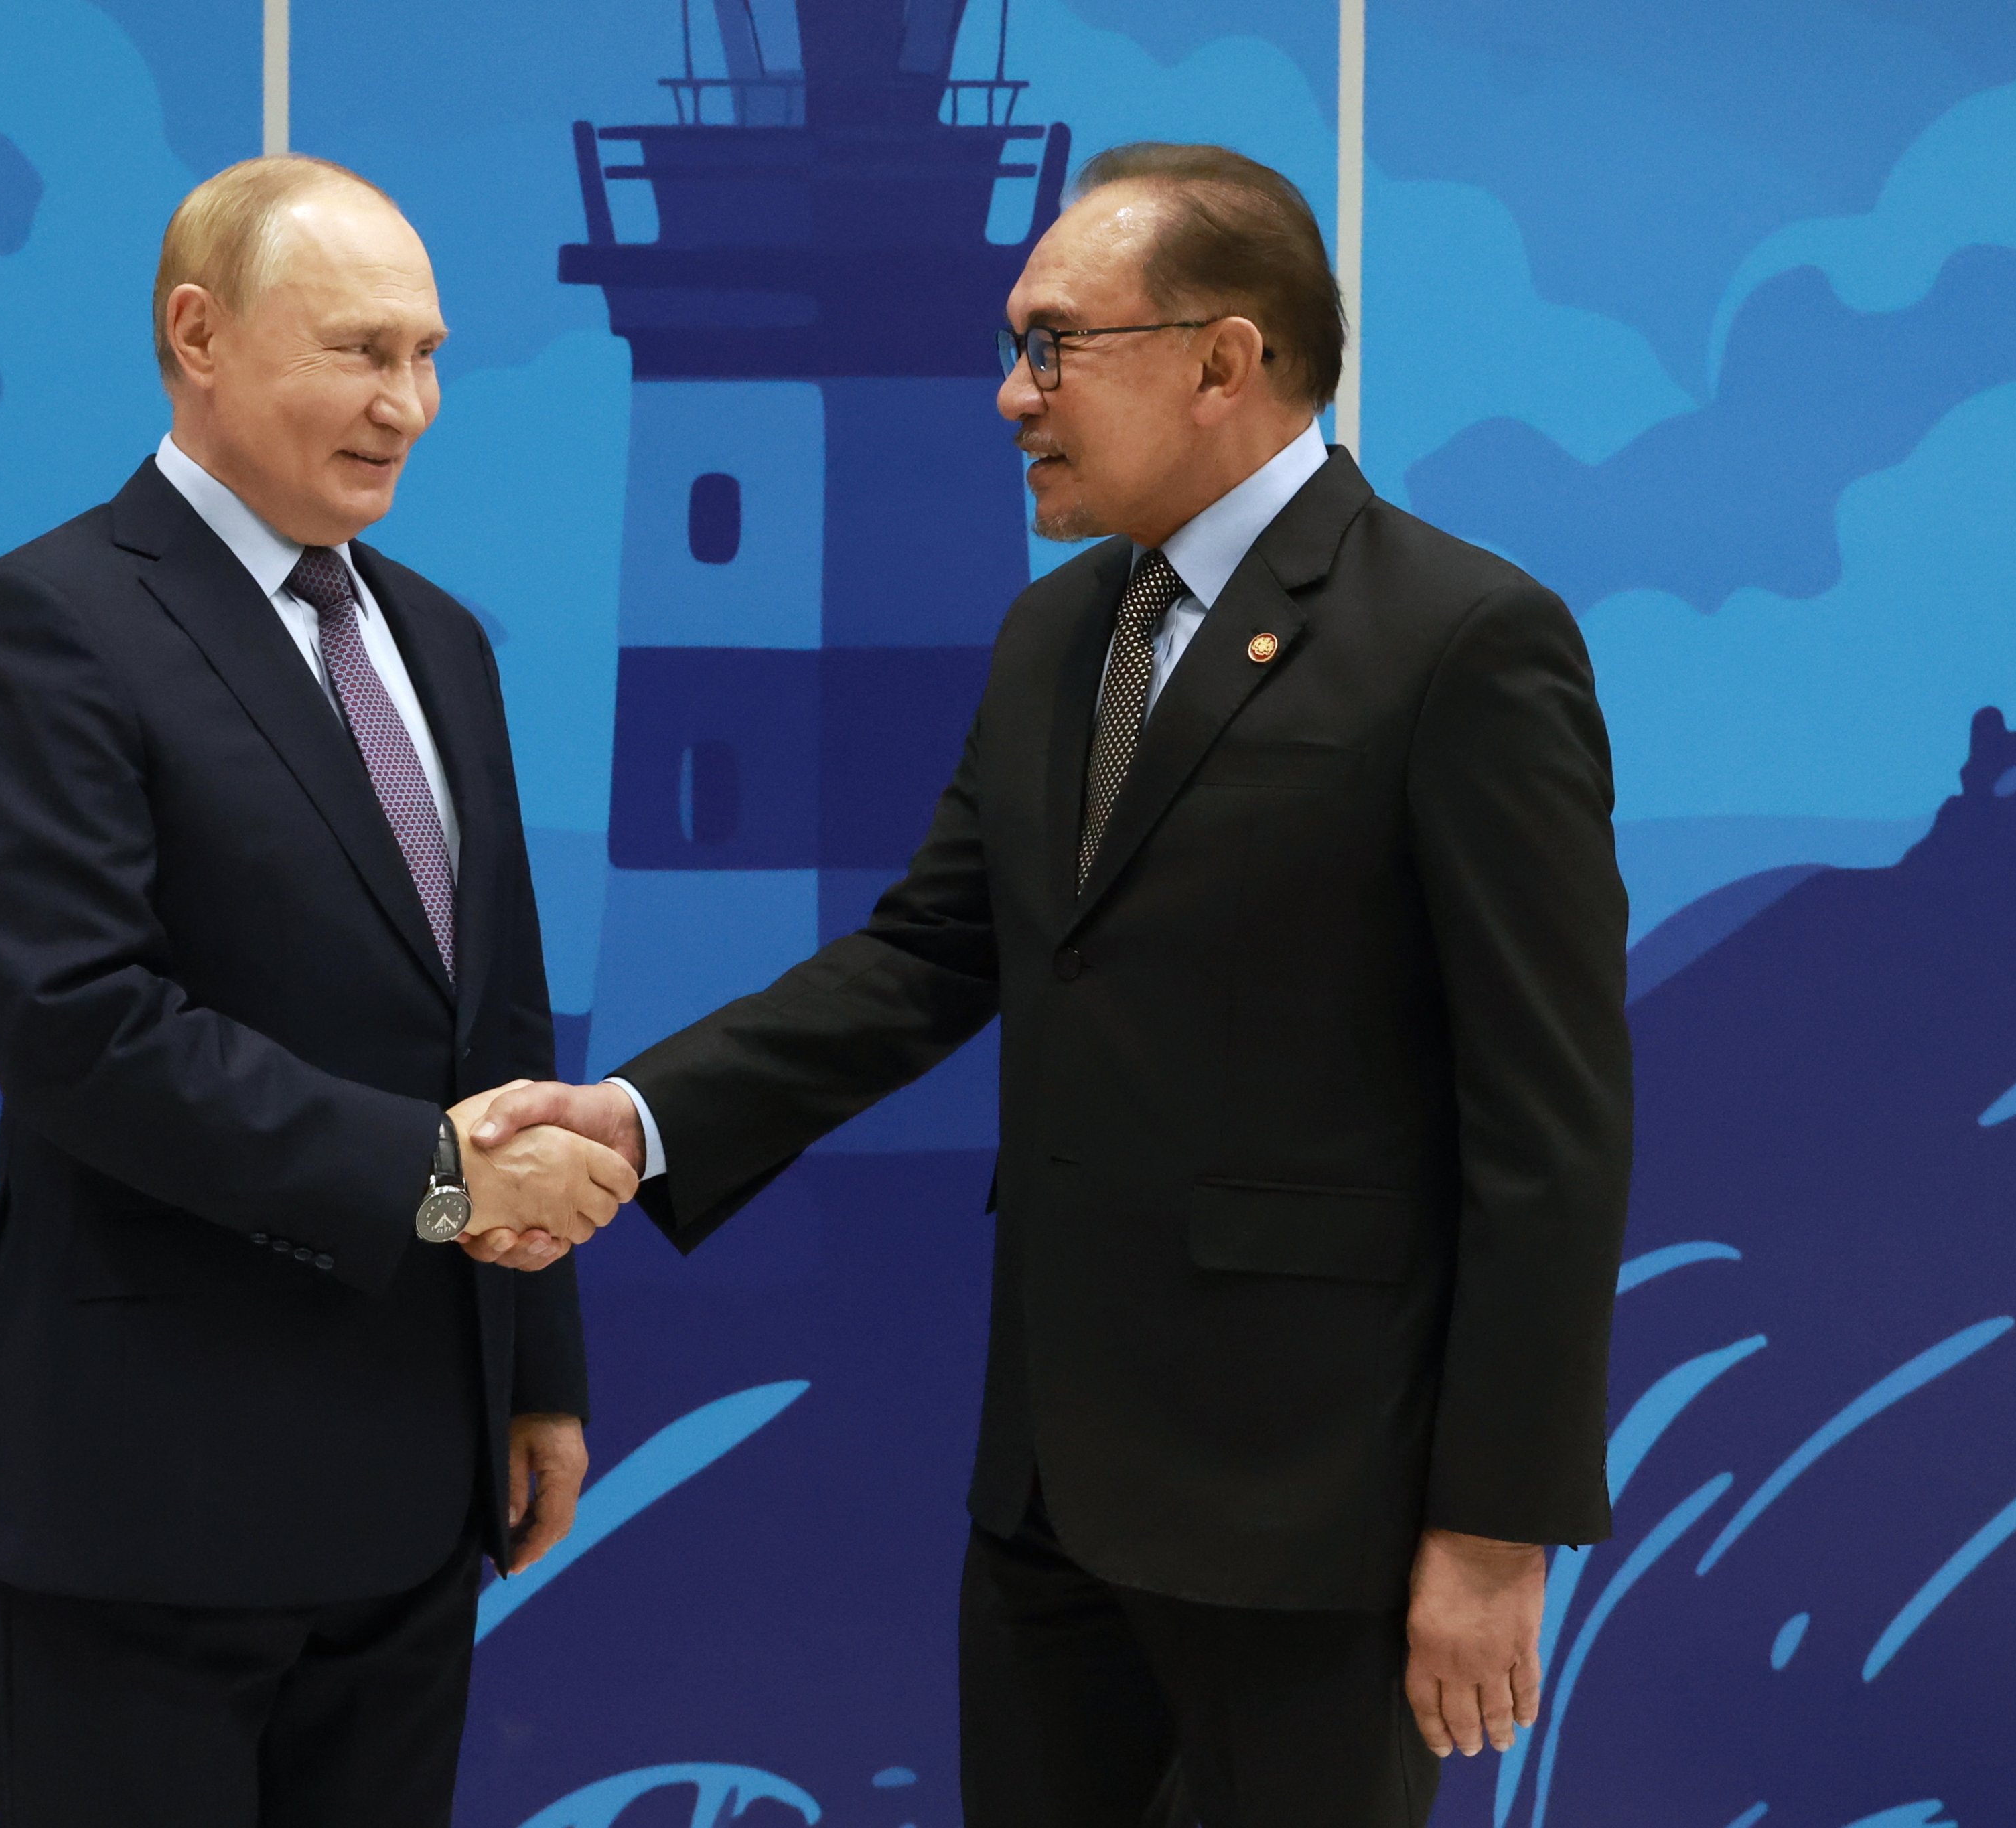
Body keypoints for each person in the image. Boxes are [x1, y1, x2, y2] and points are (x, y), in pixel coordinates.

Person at [475, 142, 1633, 1827]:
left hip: (1316, 1520)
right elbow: (927, 958)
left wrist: (1490, 1530)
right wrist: (638, 1118)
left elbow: (1550, 1127)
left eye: (1051, 345)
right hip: (1050, 1502)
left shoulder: (1461, 643)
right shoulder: (1055, 637)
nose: (1010, 396)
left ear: (1221, 360)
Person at [0, 154, 633, 1828]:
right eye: (361, 352)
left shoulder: (440, 639)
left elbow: (497, 1026)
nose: (412, 405)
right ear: (197, 337)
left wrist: (536, 1372)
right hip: (147, 1508)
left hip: (410, 1495)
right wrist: (443, 1182)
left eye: (430, 355)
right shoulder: (49, 624)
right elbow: (81, 1029)